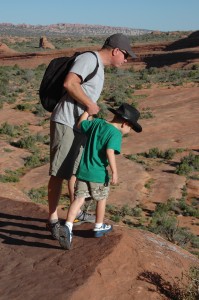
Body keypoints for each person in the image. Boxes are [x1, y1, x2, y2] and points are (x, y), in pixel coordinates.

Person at [46, 33, 137, 240]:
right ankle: (52, 220)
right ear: (116, 50)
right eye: (126, 55)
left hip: (78, 125)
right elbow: (70, 84)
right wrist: (89, 104)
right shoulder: (89, 59)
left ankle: (75, 213)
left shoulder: (98, 66)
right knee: (59, 172)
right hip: (67, 121)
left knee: (72, 171)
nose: (126, 60)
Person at [58, 103, 142, 250]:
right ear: (125, 123)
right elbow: (110, 152)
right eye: (131, 127)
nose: (129, 130)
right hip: (98, 174)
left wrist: (87, 111)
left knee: (79, 199)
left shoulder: (97, 123)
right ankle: (98, 226)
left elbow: (81, 124)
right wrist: (115, 172)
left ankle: (68, 226)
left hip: (83, 171)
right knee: (101, 199)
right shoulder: (115, 134)